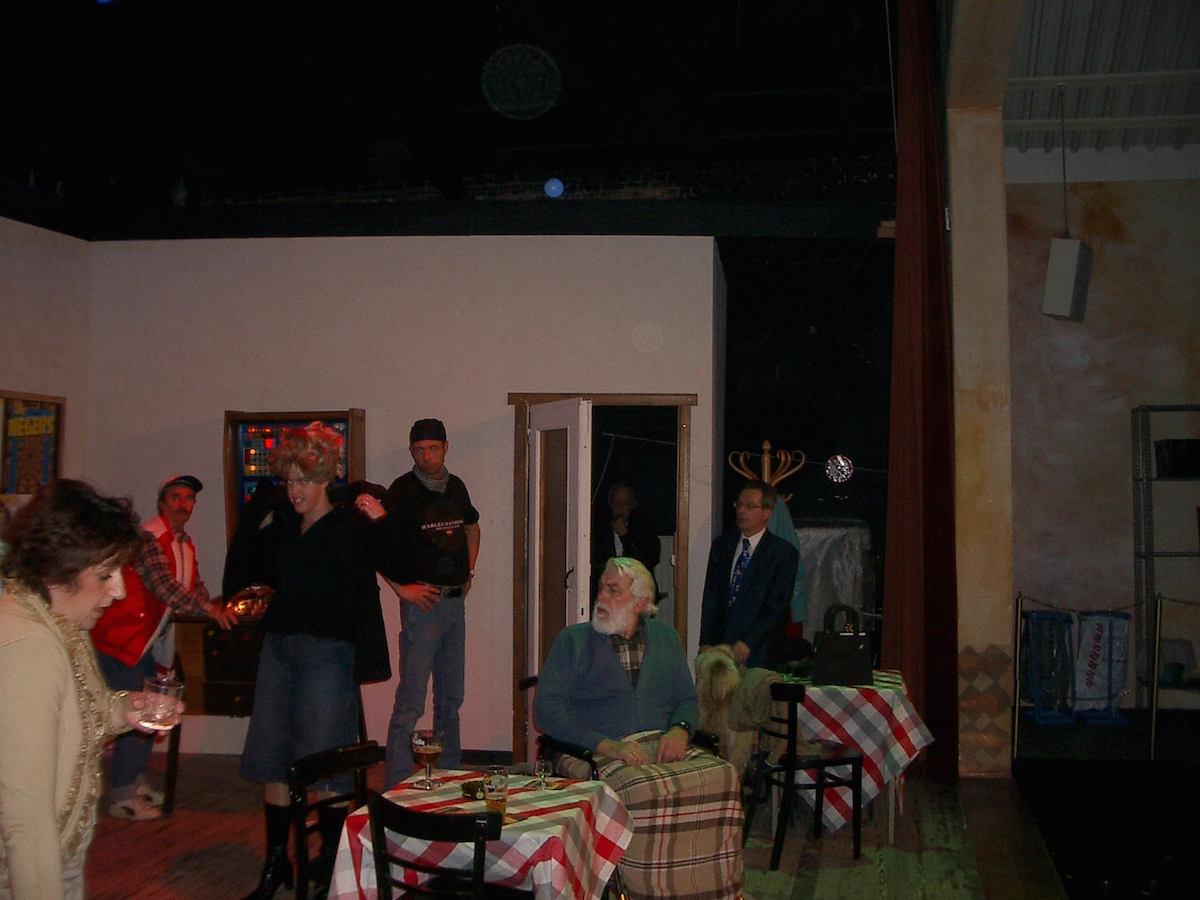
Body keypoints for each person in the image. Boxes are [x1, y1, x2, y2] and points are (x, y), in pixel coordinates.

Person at [229, 422, 393, 900]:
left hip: (328, 654)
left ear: (325, 479)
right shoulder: (281, 526)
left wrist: (382, 520)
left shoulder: (349, 527)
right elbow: (242, 566)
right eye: (289, 480)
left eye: (304, 480)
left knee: (324, 763)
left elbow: (396, 558)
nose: (295, 490)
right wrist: (258, 513)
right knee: (273, 758)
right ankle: (277, 863)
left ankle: (328, 862)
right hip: (279, 649)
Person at [0, 480, 184, 900]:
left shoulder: (61, 621)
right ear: (58, 569)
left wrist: (124, 709)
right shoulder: (28, 646)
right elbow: (25, 822)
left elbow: (73, 716)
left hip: (60, 850)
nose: (118, 591)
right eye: (105, 575)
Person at [89, 474, 237, 821]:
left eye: (188, 498)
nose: (183, 504)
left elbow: (194, 586)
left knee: (149, 712)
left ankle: (134, 785)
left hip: (142, 643)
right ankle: (122, 796)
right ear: (161, 503)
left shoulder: (183, 543)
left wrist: (215, 606)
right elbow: (164, 587)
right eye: (175, 497)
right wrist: (210, 610)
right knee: (135, 715)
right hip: (122, 640)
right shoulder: (149, 537)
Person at [356, 418, 480, 789]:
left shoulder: (456, 487)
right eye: (420, 450)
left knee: (451, 698)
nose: (427, 456)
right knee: (411, 701)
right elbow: (375, 542)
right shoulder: (402, 491)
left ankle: (449, 775)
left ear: (445, 447)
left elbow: (472, 527)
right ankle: (395, 783)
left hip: (455, 604)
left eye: (433, 448)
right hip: (423, 607)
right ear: (412, 451)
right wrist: (401, 589)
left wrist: (469, 571)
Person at [535, 557, 697, 767]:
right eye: (601, 588)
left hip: (658, 747)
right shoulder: (573, 641)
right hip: (592, 751)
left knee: (724, 774)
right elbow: (547, 710)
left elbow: (687, 700)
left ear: (640, 603)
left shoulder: (666, 637)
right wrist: (605, 744)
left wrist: (680, 729)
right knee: (637, 783)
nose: (601, 596)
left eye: (613, 590)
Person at [699, 480, 799, 668]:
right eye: (739, 504)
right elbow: (711, 596)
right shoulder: (722, 546)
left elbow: (776, 607)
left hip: (759, 651)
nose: (741, 511)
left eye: (750, 506)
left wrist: (748, 642)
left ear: (766, 513)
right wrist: (705, 640)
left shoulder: (782, 553)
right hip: (720, 648)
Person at [590, 481, 661, 603]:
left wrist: (625, 536)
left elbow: (648, 560)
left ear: (633, 504)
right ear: (610, 503)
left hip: (637, 593)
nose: (620, 508)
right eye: (616, 503)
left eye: (625, 504)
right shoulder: (598, 528)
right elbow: (597, 564)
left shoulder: (644, 527)